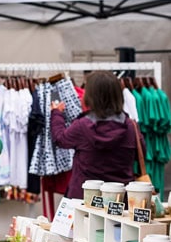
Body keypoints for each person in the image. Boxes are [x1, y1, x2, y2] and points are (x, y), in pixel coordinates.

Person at [49, 70, 146, 199]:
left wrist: (56, 113)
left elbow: (60, 139)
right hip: (119, 201)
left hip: (85, 200)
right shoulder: (130, 127)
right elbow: (141, 155)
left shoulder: (82, 126)